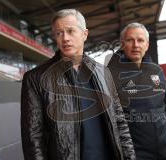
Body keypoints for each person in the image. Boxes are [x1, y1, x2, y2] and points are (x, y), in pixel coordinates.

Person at [21, 9, 136, 160]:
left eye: (70, 31)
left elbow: (120, 123)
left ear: (84, 34)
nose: (65, 38)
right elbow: (33, 136)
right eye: (59, 33)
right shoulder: (35, 78)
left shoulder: (104, 73)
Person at [107, 22, 166, 160]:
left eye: (140, 40)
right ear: (122, 44)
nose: (136, 45)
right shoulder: (110, 75)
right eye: (130, 40)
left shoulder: (157, 71)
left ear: (147, 45)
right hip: (133, 155)